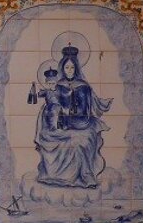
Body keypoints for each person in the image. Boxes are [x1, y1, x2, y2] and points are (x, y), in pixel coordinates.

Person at [32, 44, 112, 189]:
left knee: (81, 141)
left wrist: (69, 116)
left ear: (76, 68)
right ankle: (55, 177)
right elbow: (52, 104)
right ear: (62, 68)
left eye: (72, 68)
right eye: (66, 68)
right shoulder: (57, 85)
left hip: (81, 123)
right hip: (60, 123)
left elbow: (84, 112)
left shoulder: (83, 86)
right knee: (57, 136)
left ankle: (84, 177)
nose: (69, 71)